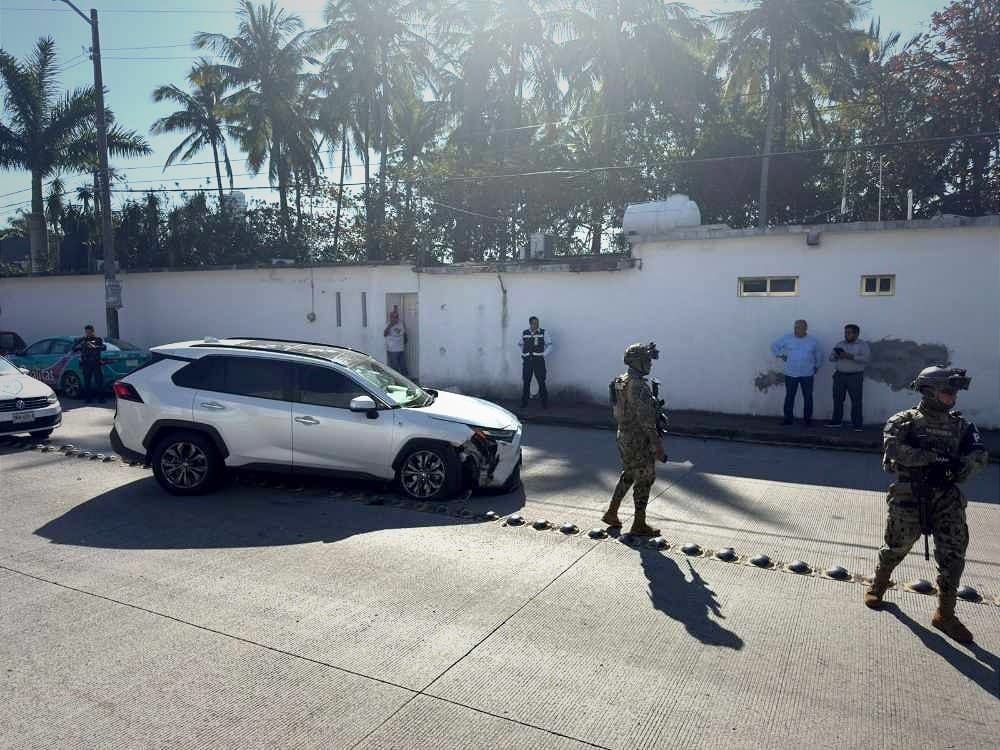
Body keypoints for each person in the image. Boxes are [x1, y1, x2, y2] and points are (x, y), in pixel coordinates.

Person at [863, 366, 988, 644]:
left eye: (954, 391)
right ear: (929, 391)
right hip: (911, 494)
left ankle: (945, 614)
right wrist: (931, 459)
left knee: (954, 554)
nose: (952, 396)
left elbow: (980, 453)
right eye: (947, 391)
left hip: (947, 497)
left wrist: (963, 466)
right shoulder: (904, 421)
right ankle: (880, 583)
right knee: (896, 545)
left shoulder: (962, 425)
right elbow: (894, 450)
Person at [602, 342, 666, 538]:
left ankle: (612, 512)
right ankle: (639, 523)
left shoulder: (621, 380)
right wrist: (657, 445)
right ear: (637, 362)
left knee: (629, 473)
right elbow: (646, 419)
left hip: (624, 434)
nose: (650, 364)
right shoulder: (638, 386)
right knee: (645, 478)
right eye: (647, 360)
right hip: (638, 438)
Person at [770, 319, 823, 426]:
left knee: (808, 397)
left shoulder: (813, 341)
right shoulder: (787, 338)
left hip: (807, 373)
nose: (797, 329)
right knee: (790, 396)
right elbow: (774, 346)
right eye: (795, 327)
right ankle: (788, 419)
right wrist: (781, 354)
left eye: (799, 327)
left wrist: (817, 366)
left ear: (805, 328)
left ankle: (808, 420)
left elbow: (819, 354)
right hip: (791, 373)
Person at [826, 323, 871, 431]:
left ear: (856, 334)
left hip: (855, 376)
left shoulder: (862, 345)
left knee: (856, 401)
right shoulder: (840, 344)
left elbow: (866, 359)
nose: (846, 335)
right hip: (839, 375)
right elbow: (831, 358)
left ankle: (857, 424)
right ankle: (836, 421)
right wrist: (837, 356)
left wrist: (850, 356)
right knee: (837, 399)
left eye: (849, 333)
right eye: (845, 332)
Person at [518, 316, 552, 409]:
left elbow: (549, 345)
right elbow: (519, 344)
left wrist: (543, 355)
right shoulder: (525, 333)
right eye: (534, 323)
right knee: (526, 382)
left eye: (537, 323)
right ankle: (524, 403)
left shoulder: (543, 332)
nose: (536, 324)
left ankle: (544, 404)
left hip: (539, 361)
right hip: (527, 361)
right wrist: (523, 354)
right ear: (530, 324)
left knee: (541, 382)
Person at [73, 324, 106, 403]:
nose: (88, 333)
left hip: (96, 363)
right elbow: (74, 348)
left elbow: (103, 347)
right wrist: (79, 345)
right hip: (86, 363)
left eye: (89, 331)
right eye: (86, 332)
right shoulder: (83, 340)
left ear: (93, 331)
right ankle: (88, 398)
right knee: (87, 382)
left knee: (99, 382)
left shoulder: (98, 339)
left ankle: (101, 398)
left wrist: (93, 346)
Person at [383, 308, 407, 375]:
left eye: (397, 316)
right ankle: (396, 381)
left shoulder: (401, 323)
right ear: (390, 317)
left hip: (401, 349)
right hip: (392, 350)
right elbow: (384, 334)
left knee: (403, 366)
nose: (396, 318)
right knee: (394, 367)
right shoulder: (387, 324)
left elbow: (404, 333)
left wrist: (404, 342)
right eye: (394, 317)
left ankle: (405, 380)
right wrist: (391, 325)